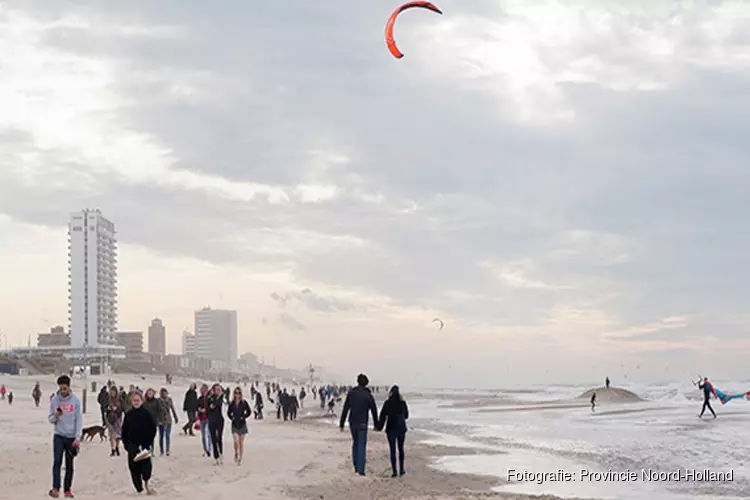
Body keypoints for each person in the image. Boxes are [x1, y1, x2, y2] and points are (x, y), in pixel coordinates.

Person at [48, 374, 82, 498]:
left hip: (71, 436)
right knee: (57, 461)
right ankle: (56, 488)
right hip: (59, 435)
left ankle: (67, 490)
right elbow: (50, 419)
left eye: (65, 389)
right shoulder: (54, 400)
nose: (63, 391)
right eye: (61, 388)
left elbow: (79, 420)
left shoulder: (75, 401)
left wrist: (77, 438)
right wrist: (56, 415)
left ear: (68, 387)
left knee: (69, 464)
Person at [339, 374, 379, 476]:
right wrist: (376, 424)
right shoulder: (368, 395)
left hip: (352, 422)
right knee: (361, 445)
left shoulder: (351, 393)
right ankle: (361, 470)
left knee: (355, 443)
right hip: (363, 423)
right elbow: (374, 410)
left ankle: (356, 467)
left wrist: (342, 423)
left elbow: (346, 408)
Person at [121, 390, 157, 495]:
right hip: (132, 445)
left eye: (138, 400)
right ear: (131, 402)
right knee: (134, 469)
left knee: (146, 469)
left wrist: (148, 442)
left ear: (142, 401)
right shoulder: (128, 415)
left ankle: (146, 481)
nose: (136, 402)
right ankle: (139, 489)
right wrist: (127, 445)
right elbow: (124, 431)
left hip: (145, 446)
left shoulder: (147, 414)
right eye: (134, 400)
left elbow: (153, 429)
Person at [376, 385, 409, 477]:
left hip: (390, 428)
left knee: (392, 450)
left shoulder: (387, 403)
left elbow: (382, 416)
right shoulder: (402, 403)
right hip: (401, 428)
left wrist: (379, 427)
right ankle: (401, 469)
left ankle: (394, 471)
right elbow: (406, 415)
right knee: (401, 449)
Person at [227, 387, 251, 465]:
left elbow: (249, 412)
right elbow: (228, 413)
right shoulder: (232, 403)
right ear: (234, 394)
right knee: (236, 441)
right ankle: (236, 452)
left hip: (242, 424)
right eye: (236, 393)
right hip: (234, 424)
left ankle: (240, 457)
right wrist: (232, 418)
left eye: (239, 393)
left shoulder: (244, 403)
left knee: (241, 442)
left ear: (241, 394)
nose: (237, 394)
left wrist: (244, 416)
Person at [157, 388, 178, 456]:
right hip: (161, 420)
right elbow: (156, 411)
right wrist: (157, 420)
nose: (164, 394)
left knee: (167, 435)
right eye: (163, 393)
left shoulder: (169, 399)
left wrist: (175, 417)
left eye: (165, 393)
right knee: (161, 436)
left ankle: (167, 450)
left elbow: (172, 408)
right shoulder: (158, 400)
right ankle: (161, 450)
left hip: (168, 420)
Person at [207, 383, 225, 464]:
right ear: (213, 390)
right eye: (217, 389)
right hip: (211, 420)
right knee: (213, 438)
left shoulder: (221, 397)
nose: (218, 391)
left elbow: (218, 403)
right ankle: (216, 457)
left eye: (219, 389)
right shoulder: (209, 398)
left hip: (220, 420)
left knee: (219, 437)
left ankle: (221, 453)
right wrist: (211, 406)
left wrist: (213, 405)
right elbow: (207, 409)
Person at [104, 386, 124, 457]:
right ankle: (112, 449)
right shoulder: (107, 399)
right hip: (109, 418)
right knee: (111, 434)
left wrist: (117, 409)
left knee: (117, 435)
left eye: (114, 392)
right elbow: (104, 407)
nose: (113, 393)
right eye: (111, 392)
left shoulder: (119, 399)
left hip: (117, 418)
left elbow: (122, 408)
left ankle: (117, 447)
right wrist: (108, 408)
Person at [142, 389, 160, 453]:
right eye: (148, 393)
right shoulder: (144, 402)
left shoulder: (156, 401)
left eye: (151, 393)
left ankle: (151, 450)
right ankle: (145, 449)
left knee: (151, 436)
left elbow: (158, 411)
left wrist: (158, 420)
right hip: (145, 421)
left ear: (153, 394)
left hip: (153, 421)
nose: (150, 394)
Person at [196, 384, 212, 457]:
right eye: (201, 389)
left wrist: (206, 410)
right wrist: (199, 409)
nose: (201, 391)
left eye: (203, 389)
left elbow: (212, 406)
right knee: (203, 435)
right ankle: (205, 449)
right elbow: (197, 406)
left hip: (208, 417)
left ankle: (209, 449)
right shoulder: (200, 398)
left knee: (209, 434)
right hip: (202, 417)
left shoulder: (210, 398)